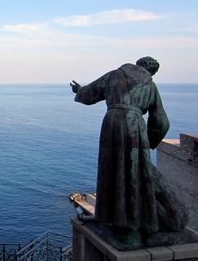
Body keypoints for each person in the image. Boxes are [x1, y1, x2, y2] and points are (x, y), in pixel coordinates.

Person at [71, 57, 187, 244]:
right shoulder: (151, 86)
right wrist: (149, 142)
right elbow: (162, 122)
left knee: (111, 169)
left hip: (112, 124)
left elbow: (91, 92)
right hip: (136, 129)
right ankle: (134, 224)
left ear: (138, 64)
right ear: (151, 72)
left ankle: (110, 218)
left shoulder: (116, 75)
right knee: (135, 173)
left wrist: (79, 90)